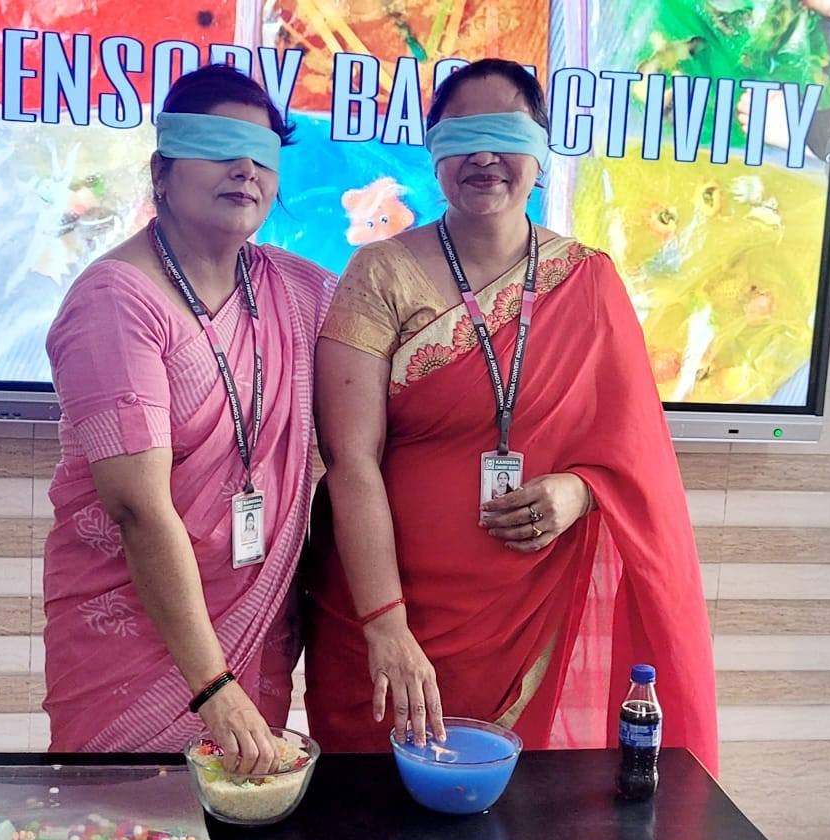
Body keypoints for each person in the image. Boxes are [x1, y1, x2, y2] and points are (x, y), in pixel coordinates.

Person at [304, 59, 718, 775]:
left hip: (519, 610)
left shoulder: (587, 279)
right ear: (434, 153)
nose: (484, 156)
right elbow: (350, 459)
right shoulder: (380, 273)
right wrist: (386, 623)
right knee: (366, 809)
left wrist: (579, 491)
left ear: (540, 153)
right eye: (463, 136)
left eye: (505, 134)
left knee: (504, 813)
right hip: (379, 609)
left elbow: (636, 450)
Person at [43, 65, 334, 773]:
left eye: (261, 155)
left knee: (238, 812)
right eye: (218, 147)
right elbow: (137, 509)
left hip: (256, 623)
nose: (245, 169)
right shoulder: (117, 300)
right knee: (125, 817)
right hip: (136, 636)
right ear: (161, 172)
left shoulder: (297, 291)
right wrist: (211, 686)